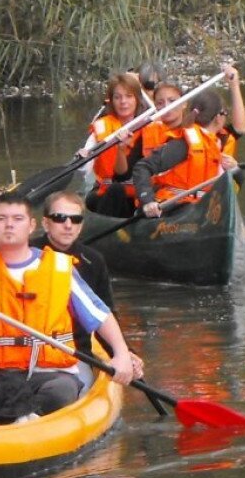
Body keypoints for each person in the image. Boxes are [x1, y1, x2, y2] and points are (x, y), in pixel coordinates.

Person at [0, 193, 142, 423]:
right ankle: (12, 421)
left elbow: (101, 314)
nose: (9, 225)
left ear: (31, 226)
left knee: (61, 392)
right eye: (1, 218)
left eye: (17, 218)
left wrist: (121, 353)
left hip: (52, 372)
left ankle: (29, 420)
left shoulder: (62, 268)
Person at [124, 87, 230, 216]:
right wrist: (147, 201)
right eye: (226, 113)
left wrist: (236, 172)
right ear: (218, 117)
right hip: (171, 207)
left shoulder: (215, 144)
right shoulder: (184, 144)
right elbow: (142, 167)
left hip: (200, 207)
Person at [79, 71, 147, 214]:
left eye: (129, 96)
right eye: (118, 97)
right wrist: (82, 157)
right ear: (111, 101)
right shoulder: (102, 126)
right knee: (116, 191)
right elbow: (85, 166)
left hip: (138, 195)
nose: (123, 102)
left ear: (137, 99)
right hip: (105, 193)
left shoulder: (149, 126)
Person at [38, 186, 114, 313]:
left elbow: (107, 310)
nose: (68, 226)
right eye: (59, 218)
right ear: (45, 223)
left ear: (81, 226)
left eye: (75, 220)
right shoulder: (26, 254)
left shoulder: (94, 260)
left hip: (82, 331)